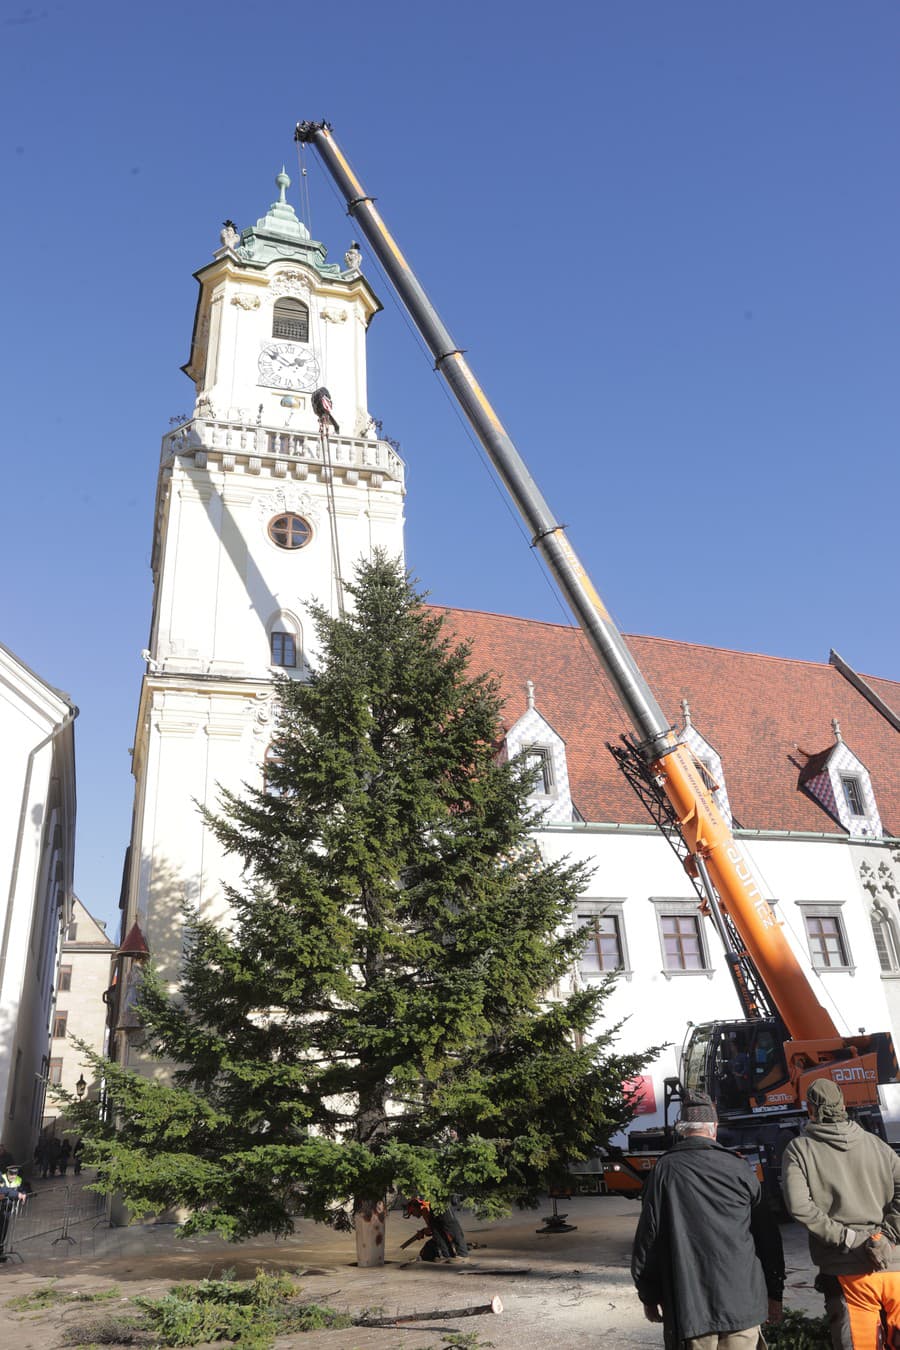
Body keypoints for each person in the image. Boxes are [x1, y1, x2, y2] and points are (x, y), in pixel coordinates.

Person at [631, 1092, 784, 1348]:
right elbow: (767, 1237)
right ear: (714, 1128)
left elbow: (647, 1242)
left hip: (691, 1310)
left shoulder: (664, 1171)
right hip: (742, 1304)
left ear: (682, 1130)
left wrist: (649, 1295)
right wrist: (775, 1291)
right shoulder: (740, 1169)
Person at [781, 1077, 900, 1348]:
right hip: (894, 1267)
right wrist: (886, 1236)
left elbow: (800, 1207)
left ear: (810, 1109)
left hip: (848, 1272)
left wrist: (849, 1238)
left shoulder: (800, 1150)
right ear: (843, 1105)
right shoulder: (876, 1144)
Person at [403, 1197, 468, 1262]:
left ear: (415, 1208)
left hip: (441, 1207)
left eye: (412, 1213)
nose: (413, 1216)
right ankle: (447, 1255)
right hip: (444, 1231)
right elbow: (433, 1229)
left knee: (451, 1225)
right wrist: (424, 1232)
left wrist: (423, 1232)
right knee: (437, 1233)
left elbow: (431, 1229)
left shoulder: (425, 1209)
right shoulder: (426, 1210)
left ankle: (463, 1254)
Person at [0, 1163, 26, 1262]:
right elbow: (3, 1190)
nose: (13, 1176)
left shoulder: (19, 1180)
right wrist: (16, 1194)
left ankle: (1, 1252)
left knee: (2, 1231)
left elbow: (23, 1189)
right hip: (2, 1207)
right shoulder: (2, 1177)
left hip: (6, 1209)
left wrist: (22, 1194)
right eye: (11, 1173)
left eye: (15, 1173)